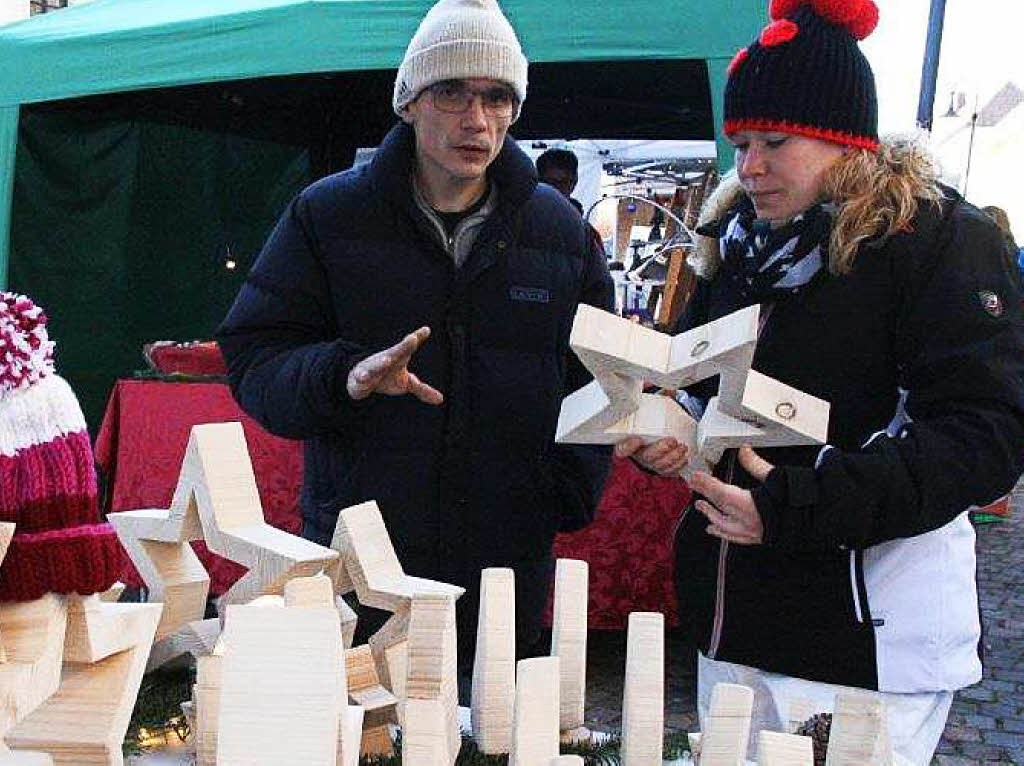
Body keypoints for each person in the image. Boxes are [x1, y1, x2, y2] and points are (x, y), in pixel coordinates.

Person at [216, 0, 685, 688]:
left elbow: (597, 379)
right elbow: (255, 355)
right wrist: (344, 375)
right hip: (363, 558)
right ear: (409, 101)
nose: (477, 119)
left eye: (497, 97)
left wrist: (564, 492)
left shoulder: (558, 233)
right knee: (358, 734)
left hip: (504, 565)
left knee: (491, 738)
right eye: (452, 93)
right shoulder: (326, 214)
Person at [618, 0, 1024, 761]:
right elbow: (698, 379)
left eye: (775, 141)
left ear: (845, 141)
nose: (751, 167)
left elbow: (984, 435)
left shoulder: (938, 241)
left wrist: (800, 505)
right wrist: (671, 430)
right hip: (734, 625)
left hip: (865, 640)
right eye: (739, 144)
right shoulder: (735, 244)